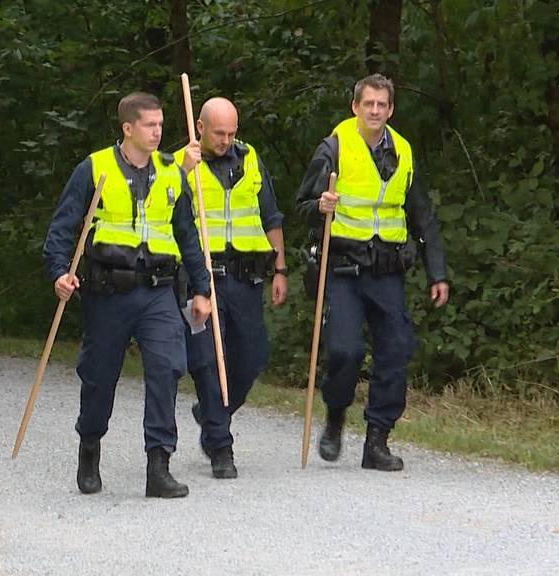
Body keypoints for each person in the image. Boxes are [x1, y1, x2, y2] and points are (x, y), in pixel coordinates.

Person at [43, 92, 212, 498]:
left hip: (158, 290)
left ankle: (159, 464)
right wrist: (59, 274)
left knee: (167, 368)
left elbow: (187, 234)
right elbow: (63, 227)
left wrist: (203, 288)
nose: (158, 132)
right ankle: (89, 444)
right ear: (128, 128)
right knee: (99, 377)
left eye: (160, 125)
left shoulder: (172, 173)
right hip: (108, 290)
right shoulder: (95, 168)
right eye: (150, 125)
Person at [295, 74, 449, 471]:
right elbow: (302, 208)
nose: (375, 111)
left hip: (387, 269)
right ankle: (335, 416)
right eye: (369, 104)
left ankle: (377, 440)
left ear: (391, 109)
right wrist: (320, 207)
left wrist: (438, 273)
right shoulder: (333, 148)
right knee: (345, 352)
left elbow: (422, 217)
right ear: (355, 107)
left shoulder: (404, 152)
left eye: (382, 105)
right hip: (343, 267)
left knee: (396, 350)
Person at [173, 97, 287, 479]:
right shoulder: (179, 164)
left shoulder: (250, 159)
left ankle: (210, 413)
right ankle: (221, 444)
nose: (226, 140)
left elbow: (270, 216)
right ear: (200, 128)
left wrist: (281, 268)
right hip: (199, 276)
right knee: (206, 360)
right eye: (219, 133)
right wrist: (180, 173)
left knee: (253, 356)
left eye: (232, 132)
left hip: (244, 275)